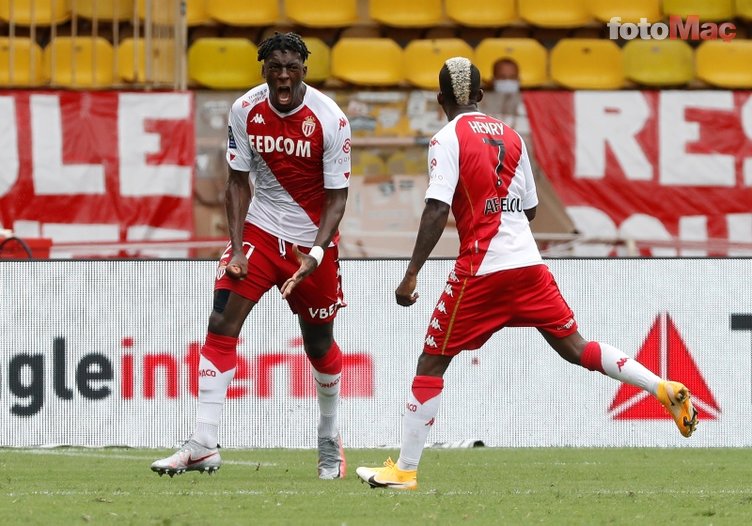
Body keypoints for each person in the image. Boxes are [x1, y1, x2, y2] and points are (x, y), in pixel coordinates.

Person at [355, 57, 698, 491]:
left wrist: (411, 274)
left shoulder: (445, 138)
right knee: (577, 348)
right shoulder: (512, 136)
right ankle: (660, 386)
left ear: (440, 99)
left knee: (432, 359)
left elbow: (437, 207)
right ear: (481, 97)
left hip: (481, 268)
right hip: (529, 266)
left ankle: (404, 470)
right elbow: (531, 209)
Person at [151, 32, 352, 480]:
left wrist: (317, 254)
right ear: (263, 69)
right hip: (261, 232)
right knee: (222, 320)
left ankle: (328, 436)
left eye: (291, 67)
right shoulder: (245, 110)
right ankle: (203, 442)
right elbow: (237, 182)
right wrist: (238, 247)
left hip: (311, 244)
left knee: (318, 344)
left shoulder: (330, 119)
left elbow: (338, 198)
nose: (283, 75)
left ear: (305, 68)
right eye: (274, 67)